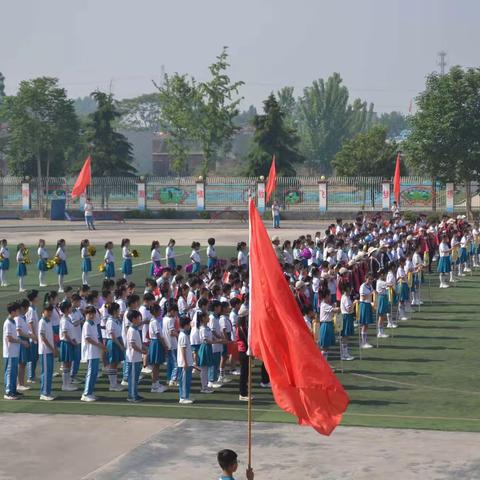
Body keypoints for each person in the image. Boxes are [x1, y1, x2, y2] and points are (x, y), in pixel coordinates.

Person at [81, 305, 106, 402]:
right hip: (90, 352)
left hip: (95, 351)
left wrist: (100, 346)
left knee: (94, 373)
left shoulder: (93, 324)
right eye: (89, 314)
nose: (91, 316)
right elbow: (88, 339)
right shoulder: (87, 324)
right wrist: (100, 345)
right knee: (91, 373)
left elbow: (95, 338)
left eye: (93, 314)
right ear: (86, 314)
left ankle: (90, 392)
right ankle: (86, 393)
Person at [3, 302, 24, 400]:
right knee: (10, 372)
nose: (18, 312)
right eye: (17, 310)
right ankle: (8, 392)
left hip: (14, 352)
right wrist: (20, 341)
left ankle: (13, 389)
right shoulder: (8, 323)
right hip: (10, 352)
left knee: (13, 372)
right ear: (12, 312)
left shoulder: (13, 321)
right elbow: (9, 338)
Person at [126, 309, 146, 403]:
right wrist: (142, 351)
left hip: (136, 357)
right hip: (133, 358)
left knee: (135, 377)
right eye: (138, 317)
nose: (140, 319)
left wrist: (143, 347)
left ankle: (134, 393)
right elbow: (132, 345)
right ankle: (132, 396)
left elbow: (137, 342)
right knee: (133, 378)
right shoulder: (132, 330)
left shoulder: (135, 329)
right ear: (133, 319)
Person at [148, 303, 168, 393]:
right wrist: (165, 345)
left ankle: (156, 383)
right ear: (155, 311)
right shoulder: (155, 322)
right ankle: (155, 386)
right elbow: (158, 335)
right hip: (156, 343)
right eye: (159, 310)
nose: (161, 311)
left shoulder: (154, 320)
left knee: (156, 366)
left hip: (155, 343)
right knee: (155, 366)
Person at [58, 300, 78, 392]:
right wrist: (72, 342)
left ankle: (67, 383)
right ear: (66, 309)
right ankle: (65, 384)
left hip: (69, 342)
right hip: (66, 343)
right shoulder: (64, 320)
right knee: (66, 364)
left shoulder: (68, 318)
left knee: (68, 364)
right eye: (69, 307)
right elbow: (65, 334)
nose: (71, 308)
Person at [38, 304, 56, 400]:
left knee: (49, 372)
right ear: (43, 311)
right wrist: (52, 348)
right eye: (48, 311)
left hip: (49, 350)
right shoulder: (42, 322)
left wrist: (54, 348)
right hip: (45, 351)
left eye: (51, 311)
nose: (49, 313)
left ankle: (48, 392)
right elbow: (43, 337)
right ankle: (44, 393)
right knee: (45, 372)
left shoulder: (49, 321)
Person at [177, 316, 194, 404]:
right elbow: (183, 350)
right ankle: (183, 397)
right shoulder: (183, 335)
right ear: (186, 325)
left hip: (187, 362)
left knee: (187, 381)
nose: (190, 326)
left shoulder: (185, 334)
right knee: (183, 381)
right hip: (184, 363)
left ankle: (186, 396)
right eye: (189, 324)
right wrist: (185, 362)